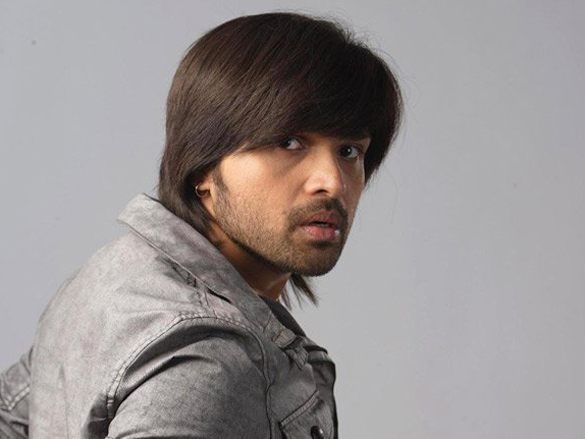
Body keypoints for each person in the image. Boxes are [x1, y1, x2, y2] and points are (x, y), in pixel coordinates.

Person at [0, 11, 403, 439]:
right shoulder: (211, 361)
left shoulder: (113, 275)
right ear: (203, 169)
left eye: (348, 151)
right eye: (289, 143)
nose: (333, 182)